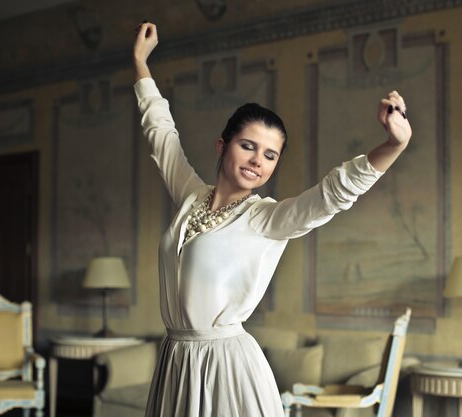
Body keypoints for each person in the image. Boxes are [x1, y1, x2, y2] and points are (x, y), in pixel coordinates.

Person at [133, 21, 411, 417]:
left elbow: (331, 195)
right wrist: (141, 63)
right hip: (176, 362)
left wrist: (392, 145)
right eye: (248, 146)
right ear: (222, 146)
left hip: (227, 369)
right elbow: (160, 131)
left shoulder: (266, 218)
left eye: (270, 155)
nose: (257, 161)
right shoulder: (190, 196)